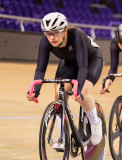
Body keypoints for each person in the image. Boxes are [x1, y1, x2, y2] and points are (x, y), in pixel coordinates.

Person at [26, 12, 103, 147]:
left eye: (55, 32)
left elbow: (83, 66)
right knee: (59, 94)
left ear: (65, 30)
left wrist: (78, 90)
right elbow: (40, 69)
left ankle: (95, 122)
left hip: (90, 61)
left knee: (82, 92)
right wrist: (35, 91)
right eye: (47, 33)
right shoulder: (45, 41)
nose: (51, 37)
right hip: (69, 62)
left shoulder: (77, 36)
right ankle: (63, 136)